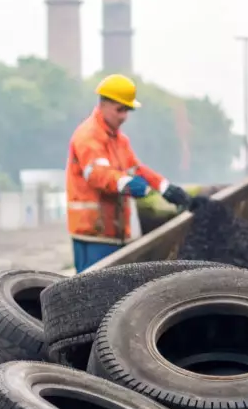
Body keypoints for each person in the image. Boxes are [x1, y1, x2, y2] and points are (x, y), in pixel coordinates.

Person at [65, 74, 193, 273]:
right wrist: (124, 183)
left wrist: (164, 187)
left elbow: (136, 169)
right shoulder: (88, 136)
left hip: (116, 233)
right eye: (120, 109)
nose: (124, 116)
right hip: (93, 234)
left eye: (127, 110)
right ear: (104, 104)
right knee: (92, 292)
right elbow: (97, 173)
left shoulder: (119, 140)